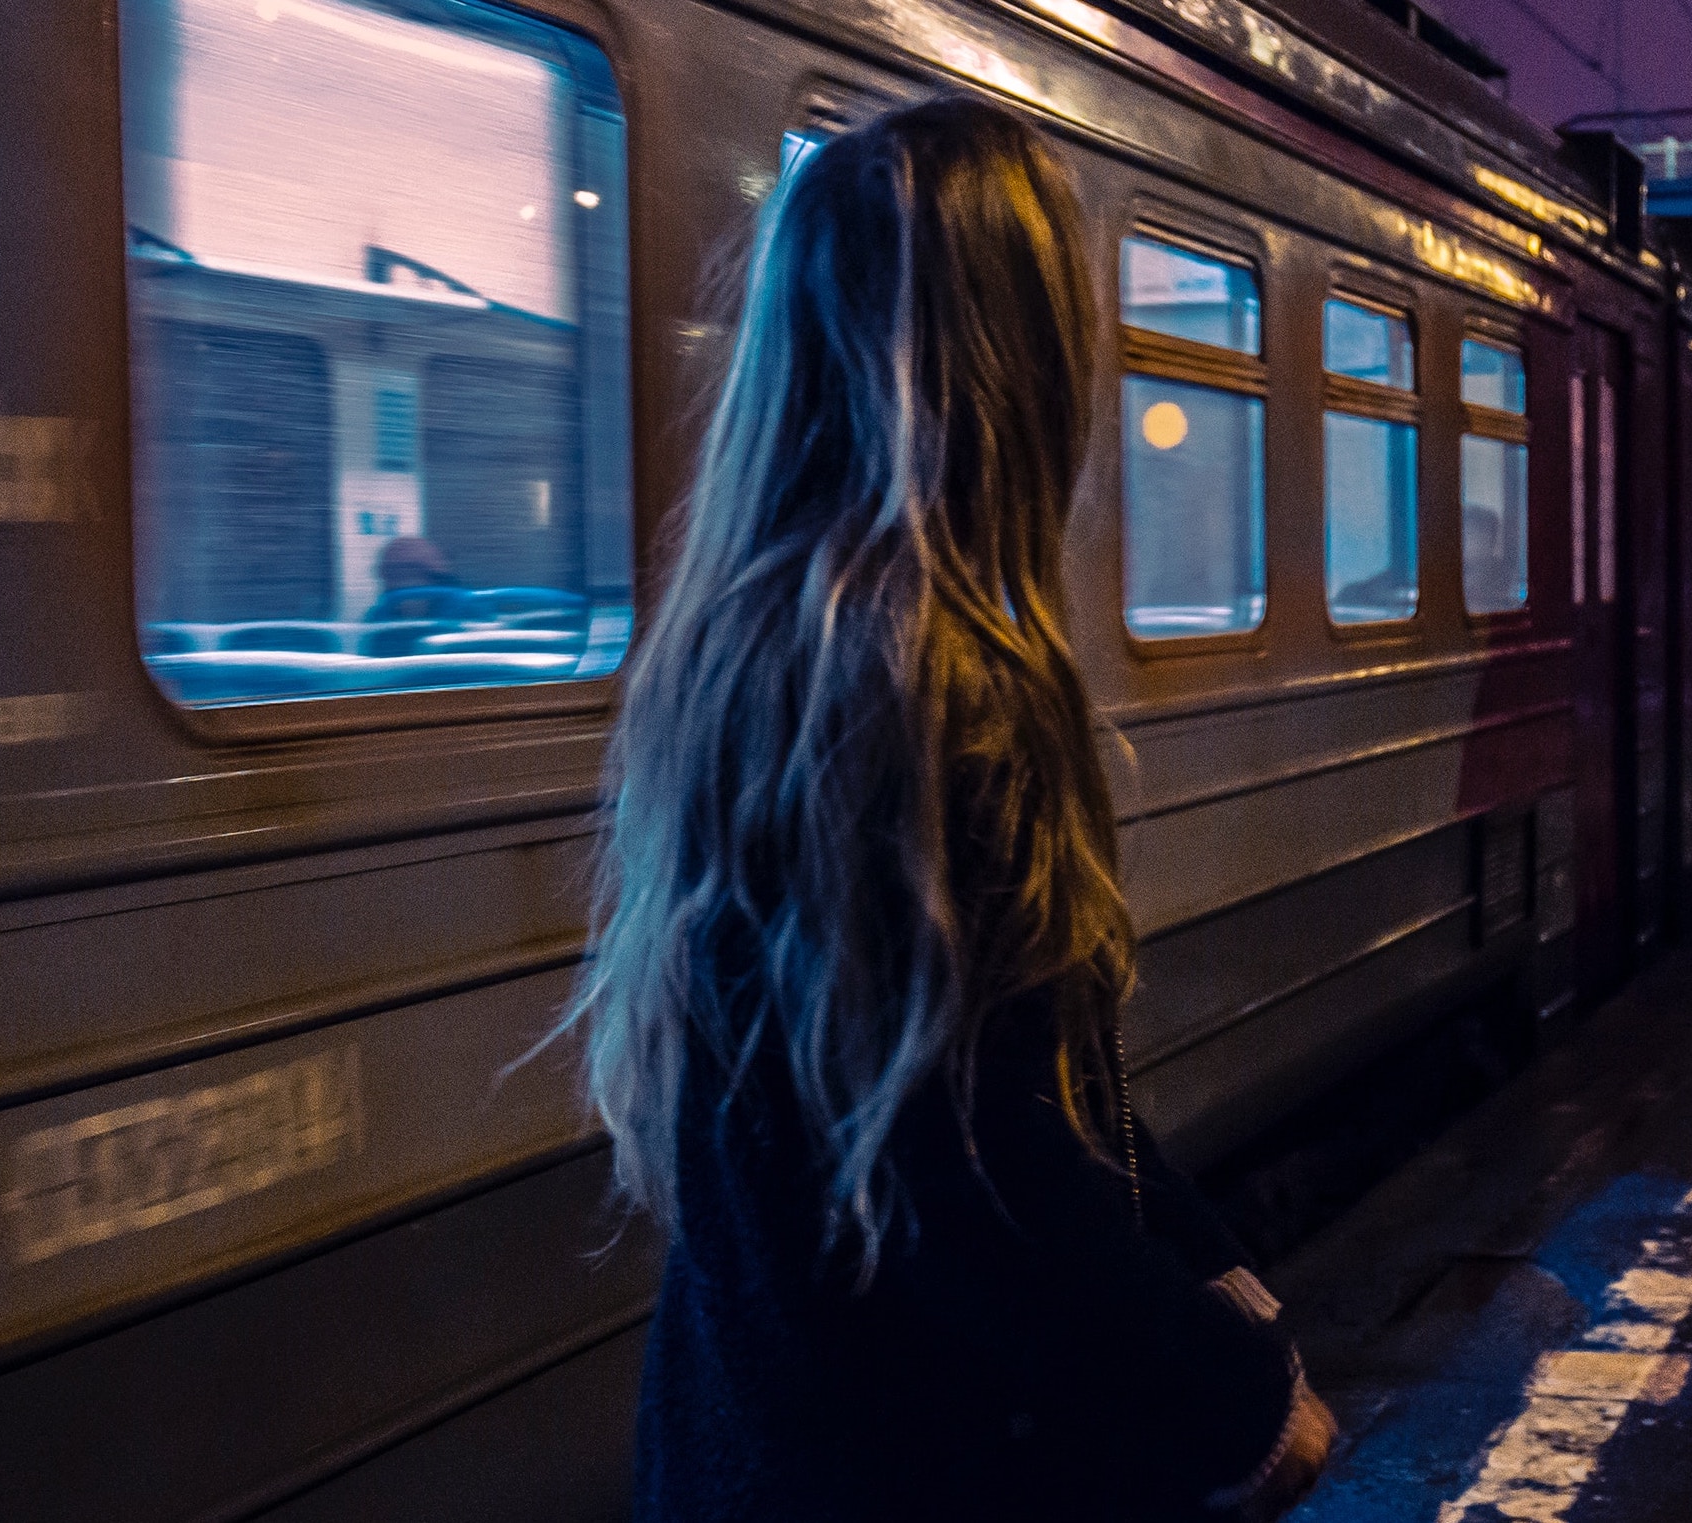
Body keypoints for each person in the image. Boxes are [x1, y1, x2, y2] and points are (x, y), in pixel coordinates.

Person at [561, 97, 1335, 1522]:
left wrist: (1211, 1268)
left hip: (758, 1430)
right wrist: (1241, 1407)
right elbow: (984, 1171)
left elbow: (999, 1099)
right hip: (924, 1462)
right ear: (1015, 361)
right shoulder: (942, 682)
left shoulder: (738, 646)